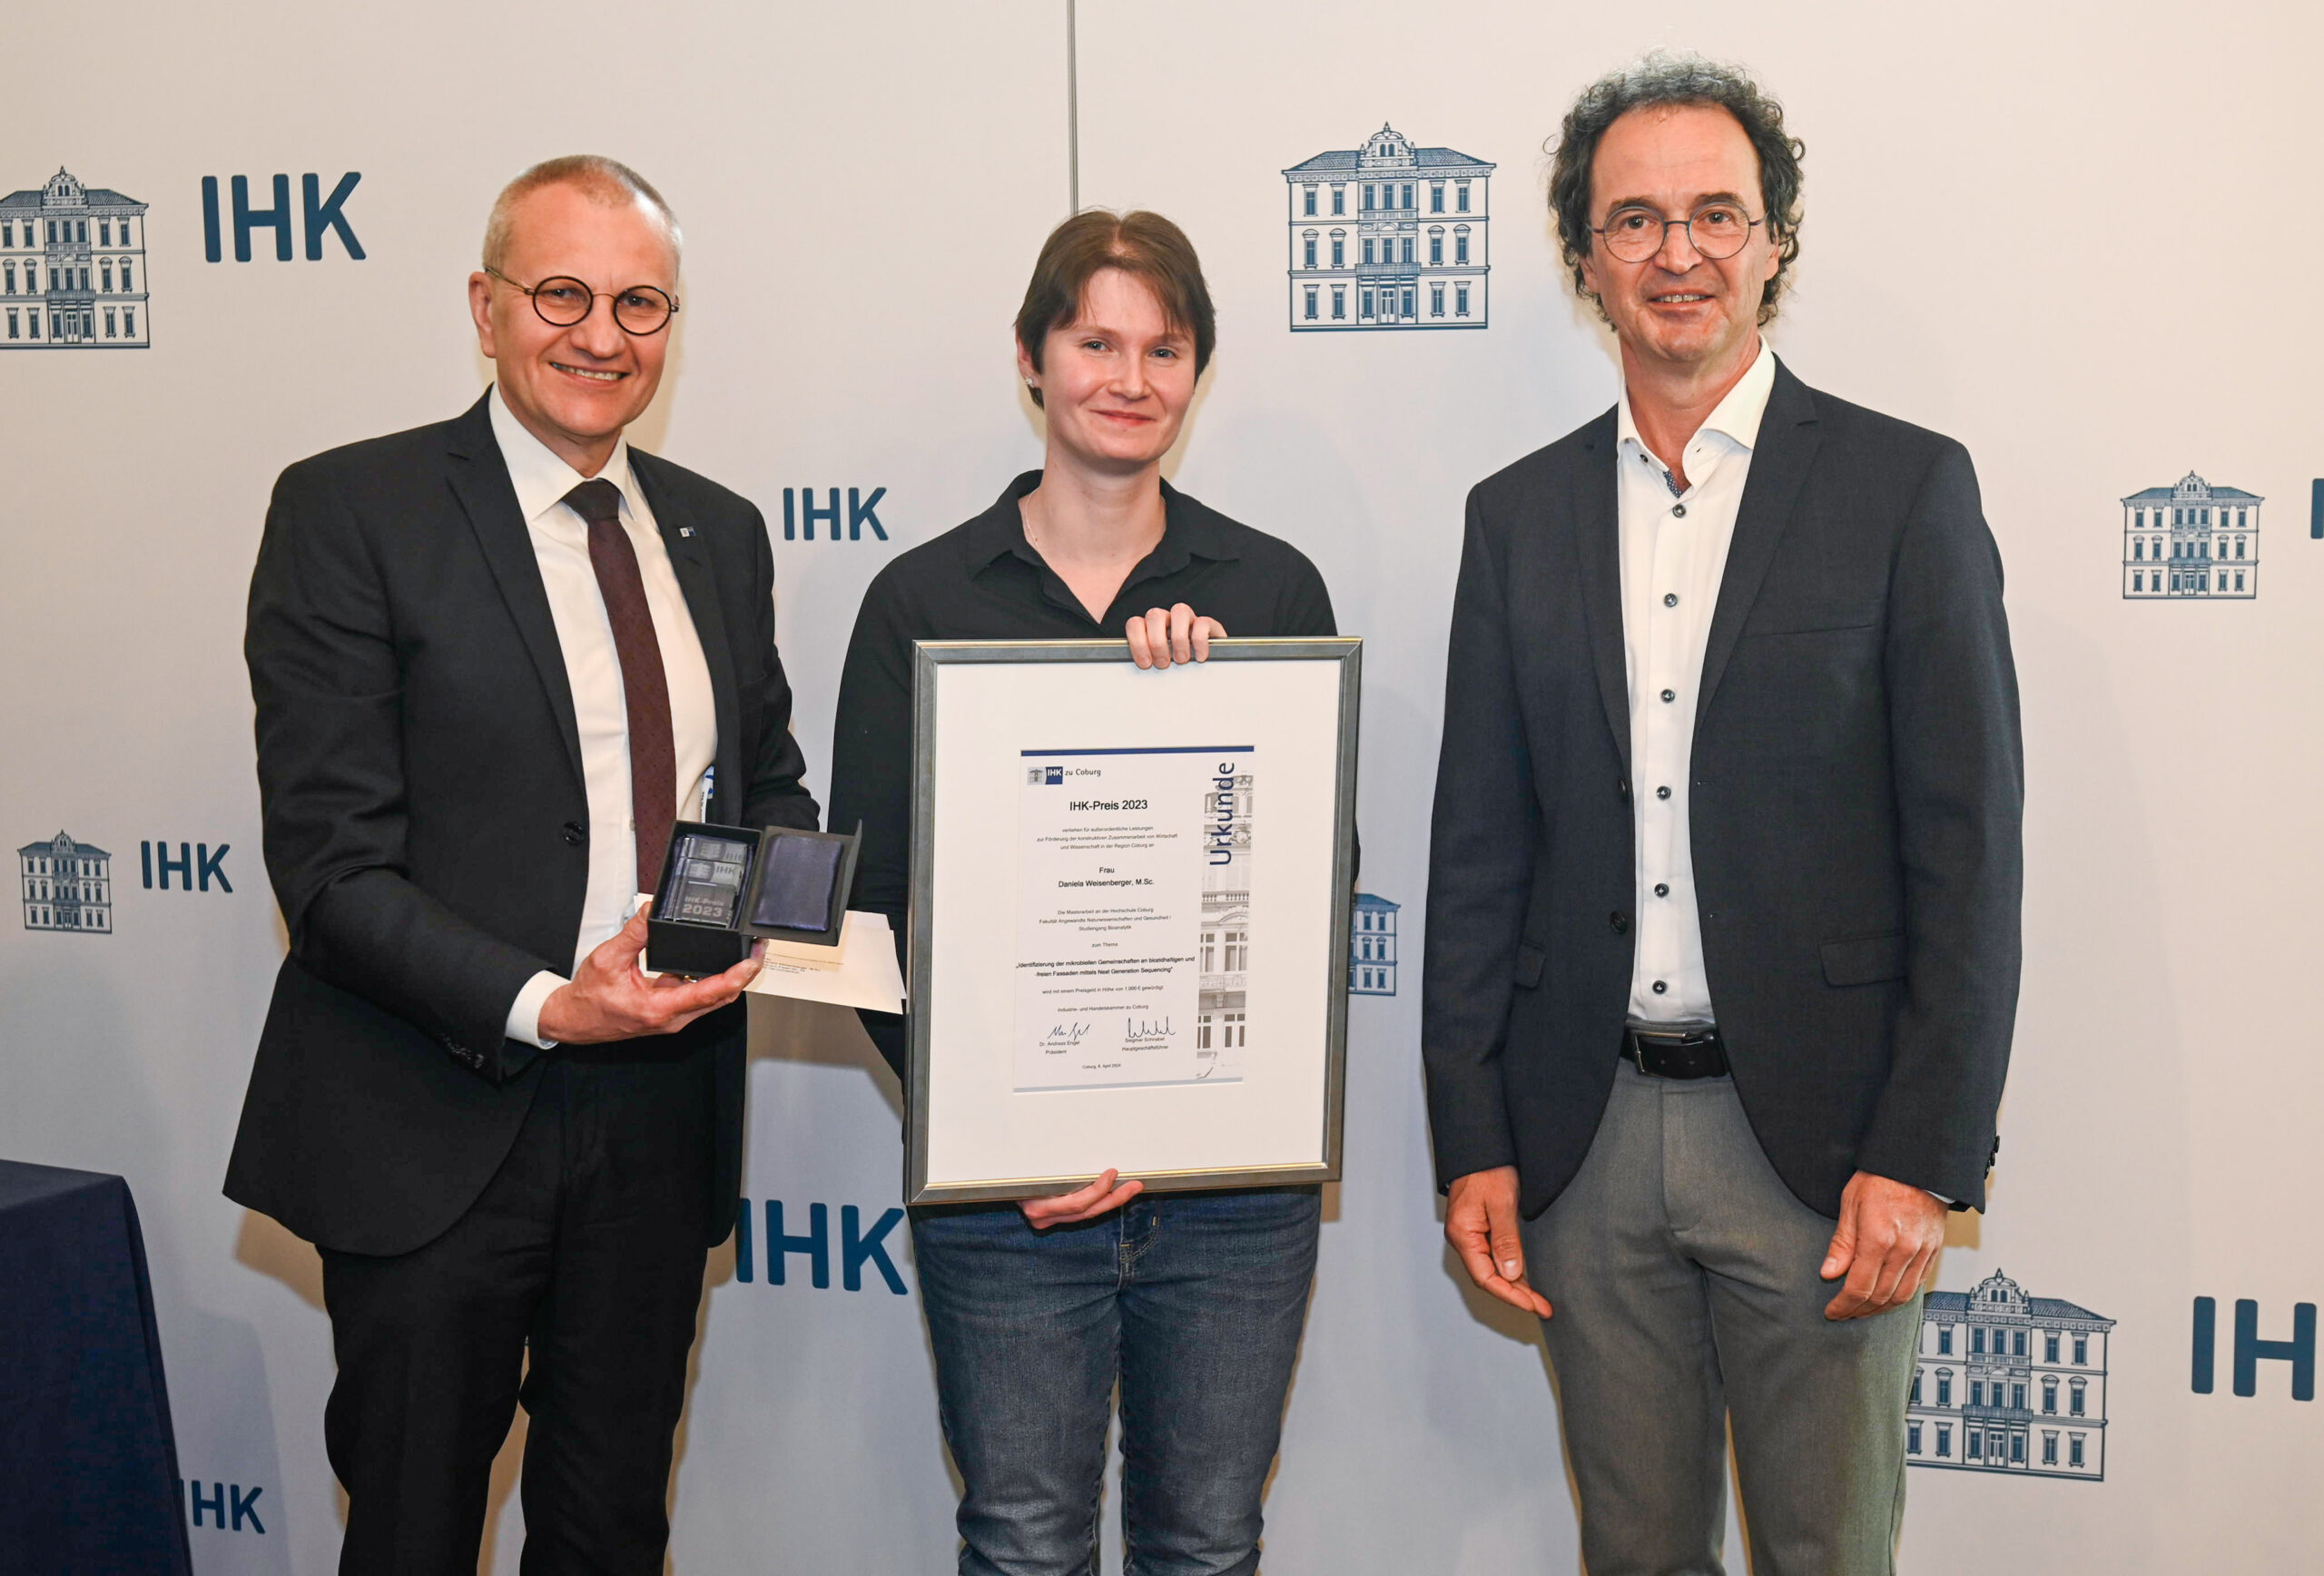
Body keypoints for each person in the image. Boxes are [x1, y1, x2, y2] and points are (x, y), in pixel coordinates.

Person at [1423, 54, 2023, 1575]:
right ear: (1585, 261)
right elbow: (1478, 852)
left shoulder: (1904, 491)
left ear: (1776, 243)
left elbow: (1968, 856)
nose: (1677, 253)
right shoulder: (1516, 516)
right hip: (1587, 1138)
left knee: (1829, 1555)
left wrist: (1926, 1151)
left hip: (1822, 1156)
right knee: (1635, 1555)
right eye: (1634, 221)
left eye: (1715, 215)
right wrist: (1472, 1138)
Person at [224, 155, 818, 1574]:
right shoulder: (350, 511)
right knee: (417, 1530)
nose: (601, 335)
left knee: (612, 1529)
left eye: (639, 303)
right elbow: (330, 868)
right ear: (485, 308)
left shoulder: (719, 533)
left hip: (661, 1120)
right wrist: (553, 1001)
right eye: (562, 293)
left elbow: (767, 787)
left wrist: (801, 910)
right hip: (434, 1113)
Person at [829, 209, 1336, 1576]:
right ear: (1032, 360)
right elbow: (869, 920)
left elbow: (1310, 893)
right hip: (1007, 1203)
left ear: (1198, 370)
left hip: (1231, 1198)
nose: (1130, 376)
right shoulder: (918, 599)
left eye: (1163, 347)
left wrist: (1218, 707)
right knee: (1022, 1543)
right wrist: (989, 1127)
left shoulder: (1267, 589)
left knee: (1209, 1544)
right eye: (1096, 341)